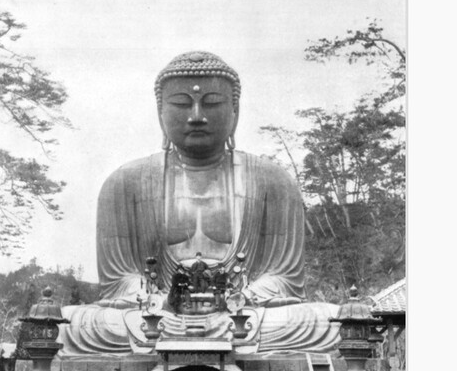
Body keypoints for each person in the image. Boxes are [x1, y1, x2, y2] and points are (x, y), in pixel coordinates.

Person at [60, 51, 340, 355]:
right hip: (158, 312)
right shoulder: (124, 183)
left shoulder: (273, 181)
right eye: (181, 104)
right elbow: (118, 281)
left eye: (212, 103)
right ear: (160, 112)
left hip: (242, 313)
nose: (196, 116)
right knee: (73, 323)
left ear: (235, 110)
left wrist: (241, 298)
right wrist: (156, 298)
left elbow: (283, 278)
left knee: (328, 321)